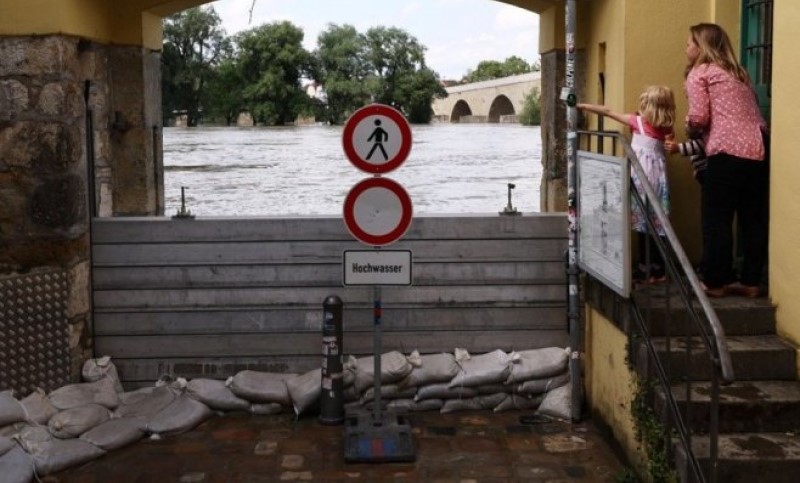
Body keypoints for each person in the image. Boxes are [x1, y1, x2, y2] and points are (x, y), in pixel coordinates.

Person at [681, 23, 768, 298]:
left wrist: (688, 128)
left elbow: (699, 118)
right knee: (752, 218)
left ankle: (716, 281)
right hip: (759, 145)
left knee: (716, 219)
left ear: (701, 46)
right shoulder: (739, 73)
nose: (686, 48)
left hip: (727, 149)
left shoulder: (700, 72)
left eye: (689, 43)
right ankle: (751, 281)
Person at [578, 85, 677, 284]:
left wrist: (583, 106)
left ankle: (645, 267)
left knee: (641, 221)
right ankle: (659, 268)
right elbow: (669, 141)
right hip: (659, 180)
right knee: (657, 222)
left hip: (640, 178)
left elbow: (608, 111)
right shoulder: (666, 127)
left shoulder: (638, 122)